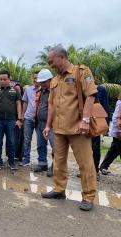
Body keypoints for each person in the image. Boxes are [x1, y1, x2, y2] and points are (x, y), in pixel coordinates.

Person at [41, 46, 98, 211]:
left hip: (77, 127)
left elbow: (91, 96)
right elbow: (51, 104)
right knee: (58, 162)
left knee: (85, 163)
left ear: (61, 57)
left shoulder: (81, 72)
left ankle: (88, 197)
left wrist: (86, 121)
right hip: (58, 128)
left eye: (52, 62)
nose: (51, 65)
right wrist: (47, 125)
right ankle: (59, 190)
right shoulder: (54, 79)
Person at [0, 70, 23, 170]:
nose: (3, 81)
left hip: (11, 120)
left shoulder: (15, 90)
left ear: (9, 79)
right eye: (1, 79)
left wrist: (19, 119)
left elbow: (18, 104)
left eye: (5, 79)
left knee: (11, 142)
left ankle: (11, 162)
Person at [34, 69, 54, 173]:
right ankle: (42, 164)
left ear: (50, 80)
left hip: (52, 124)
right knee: (41, 145)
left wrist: (49, 124)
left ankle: (55, 167)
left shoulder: (55, 91)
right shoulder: (41, 92)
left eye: (44, 82)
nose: (41, 84)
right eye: (40, 82)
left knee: (55, 146)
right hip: (40, 123)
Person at [21, 72, 39, 167]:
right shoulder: (28, 90)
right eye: (34, 77)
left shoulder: (45, 90)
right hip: (28, 118)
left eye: (38, 78)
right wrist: (22, 116)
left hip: (40, 119)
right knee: (27, 139)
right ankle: (26, 159)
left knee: (41, 140)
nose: (36, 79)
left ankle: (42, 161)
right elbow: (25, 103)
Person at [99, 97, 120, 175]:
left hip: (117, 132)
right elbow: (116, 118)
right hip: (118, 132)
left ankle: (104, 166)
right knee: (115, 149)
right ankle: (103, 166)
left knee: (114, 150)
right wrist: (118, 130)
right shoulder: (120, 102)